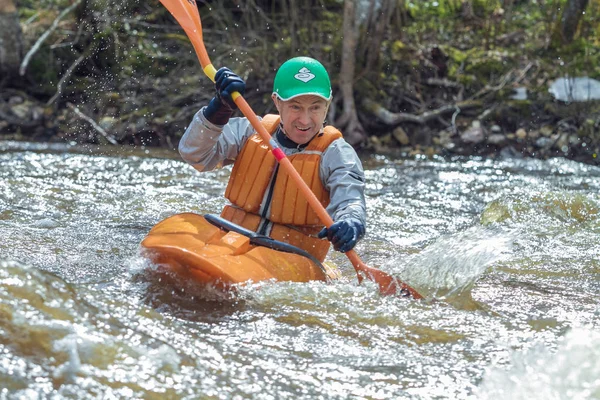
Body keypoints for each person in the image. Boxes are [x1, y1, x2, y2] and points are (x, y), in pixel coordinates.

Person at [178, 56, 366, 263]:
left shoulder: (337, 154)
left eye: (315, 107)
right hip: (231, 239)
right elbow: (195, 154)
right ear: (277, 102)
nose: (305, 120)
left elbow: (351, 200)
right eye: (295, 107)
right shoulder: (250, 131)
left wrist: (351, 222)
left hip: (292, 258)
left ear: (327, 105)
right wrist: (218, 109)